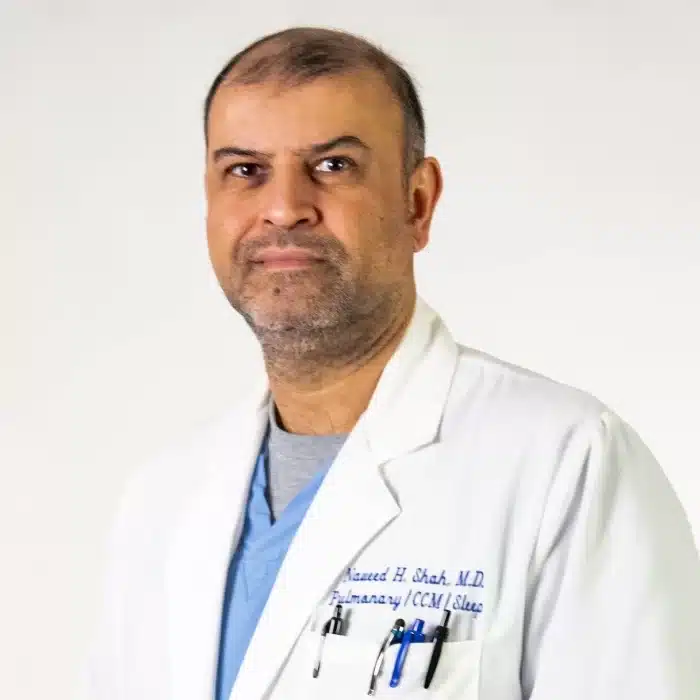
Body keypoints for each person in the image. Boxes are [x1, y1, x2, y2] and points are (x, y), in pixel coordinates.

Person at [85, 26, 700, 700]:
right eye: (245, 171)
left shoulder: (566, 463)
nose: (284, 207)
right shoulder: (160, 501)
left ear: (418, 202)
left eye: (333, 165)